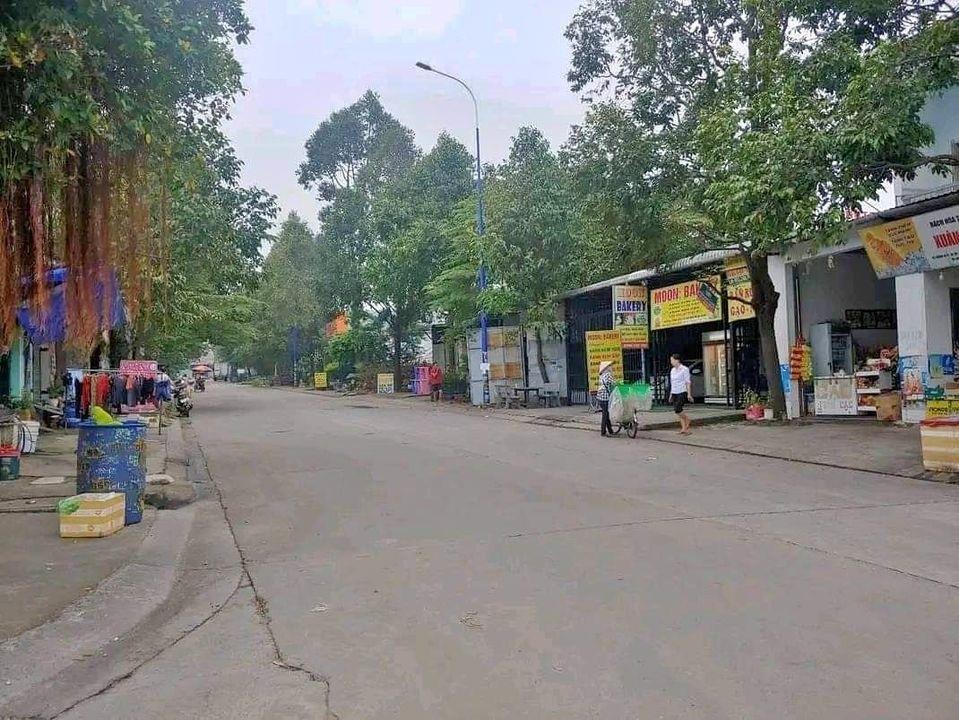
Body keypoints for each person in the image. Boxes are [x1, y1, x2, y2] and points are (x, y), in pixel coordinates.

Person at [669, 353, 694, 434]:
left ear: (677, 360)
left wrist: (689, 394)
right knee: (677, 411)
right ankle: (683, 428)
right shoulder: (672, 370)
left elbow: (687, 382)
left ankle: (687, 419)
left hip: (682, 391)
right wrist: (670, 394)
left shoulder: (684, 369)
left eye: (672, 360)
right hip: (674, 391)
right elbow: (672, 382)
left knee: (678, 408)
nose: (671, 362)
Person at [597, 359, 616, 437]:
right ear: (607, 368)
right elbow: (614, 383)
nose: (611, 367)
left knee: (606, 414)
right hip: (605, 398)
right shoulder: (608, 374)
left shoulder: (602, 375)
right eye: (609, 366)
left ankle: (610, 430)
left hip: (600, 398)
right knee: (605, 415)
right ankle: (603, 432)